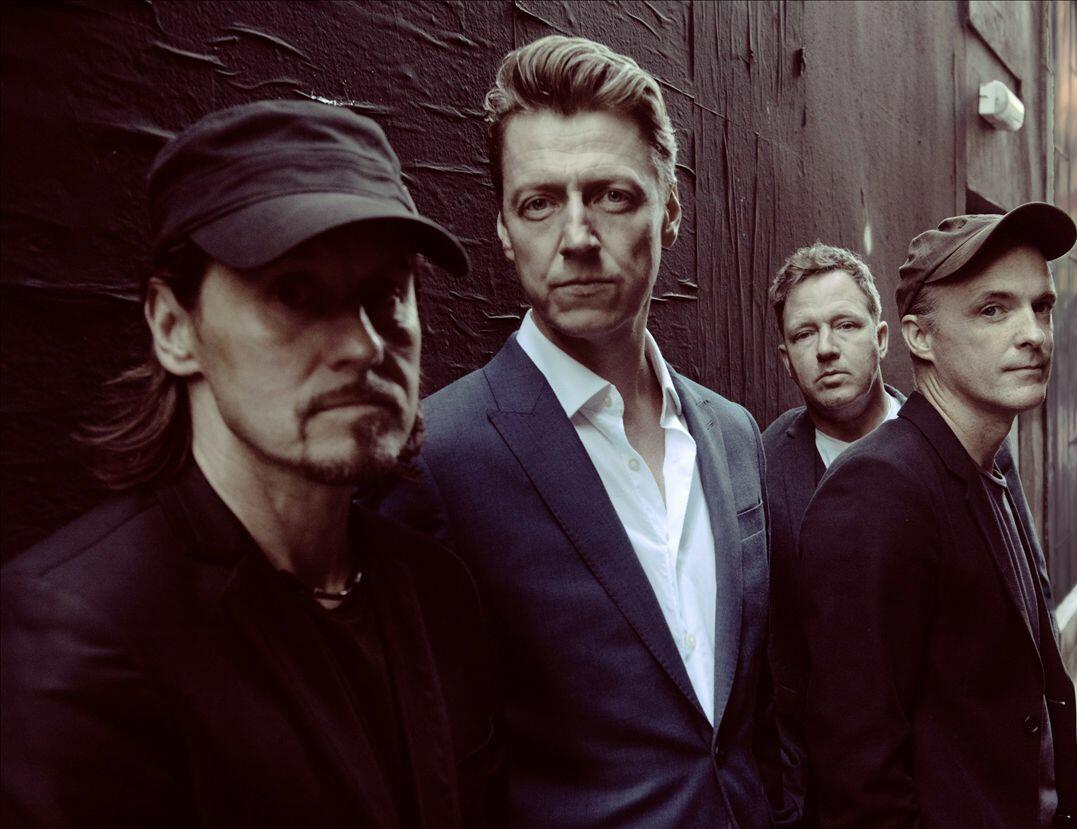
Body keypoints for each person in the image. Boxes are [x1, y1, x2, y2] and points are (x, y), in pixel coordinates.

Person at [1, 100, 502, 828]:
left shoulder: (438, 591)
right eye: (294, 293)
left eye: (386, 294)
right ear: (174, 328)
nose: (363, 345)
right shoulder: (82, 631)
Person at [379, 35, 784, 828]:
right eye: (539, 203)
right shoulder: (440, 458)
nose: (576, 236)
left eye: (611, 196)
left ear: (670, 210)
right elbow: (434, 771)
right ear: (504, 227)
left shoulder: (734, 434)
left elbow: (755, 710)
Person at [796, 203, 1077, 827]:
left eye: (1041, 307)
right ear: (919, 337)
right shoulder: (877, 490)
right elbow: (859, 775)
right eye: (993, 310)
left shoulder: (990, 461)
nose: (1033, 334)